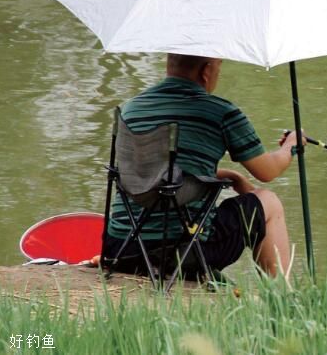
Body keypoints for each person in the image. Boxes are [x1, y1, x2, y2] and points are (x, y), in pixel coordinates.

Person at [101, 53, 303, 279]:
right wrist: (292, 146)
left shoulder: (131, 109)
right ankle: (280, 297)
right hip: (182, 253)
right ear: (206, 71)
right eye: (219, 67)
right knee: (269, 202)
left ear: (169, 65)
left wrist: (231, 176)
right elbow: (268, 171)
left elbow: (152, 174)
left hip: (122, 248)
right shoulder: (221, 112)